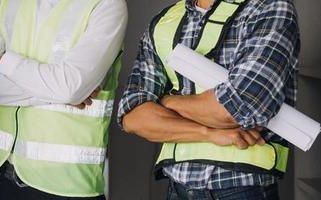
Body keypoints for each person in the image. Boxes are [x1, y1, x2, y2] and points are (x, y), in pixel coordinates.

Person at [118, 0, 300, 199]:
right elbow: (132, 116)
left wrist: (166, 101)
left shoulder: (269, 8)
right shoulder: (165, 21)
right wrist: (208, 133)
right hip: (177, 189)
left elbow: (236, 109)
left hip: (242, 189)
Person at [0, 0, 127, 199]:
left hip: (70, 183)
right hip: (10, 176)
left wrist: (4, 61)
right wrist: (57, 94)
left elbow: (69, 88)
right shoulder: (3, 2)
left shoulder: (105, 5)